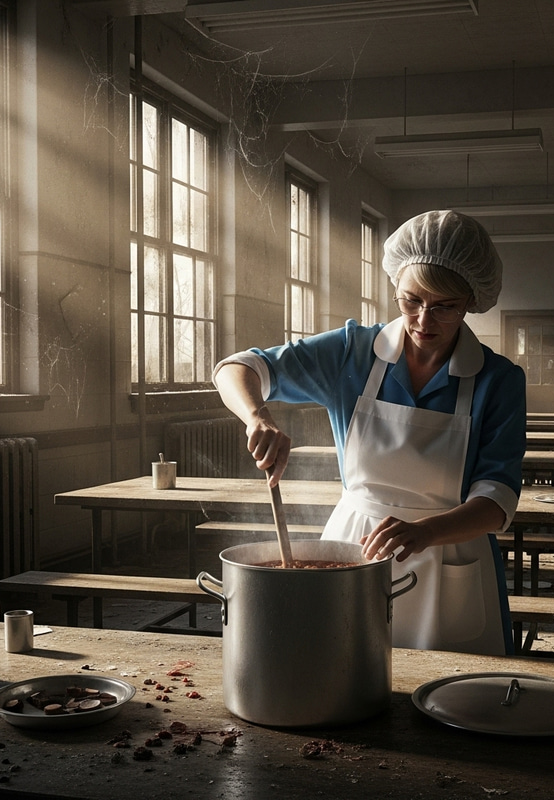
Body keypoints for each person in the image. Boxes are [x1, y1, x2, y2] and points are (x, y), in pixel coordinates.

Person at [213, 210, 526, 655]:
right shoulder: (353, 352)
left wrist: (425, 532)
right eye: (410, 300)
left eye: (444, 307)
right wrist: (256, 415)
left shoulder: (498, 380)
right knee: (341, 670)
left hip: (451, 554)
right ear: (395, 288)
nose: (422, 320)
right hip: (355, 547)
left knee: (454, 693)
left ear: (471, 301)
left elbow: (497, 502)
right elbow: (239, 367)